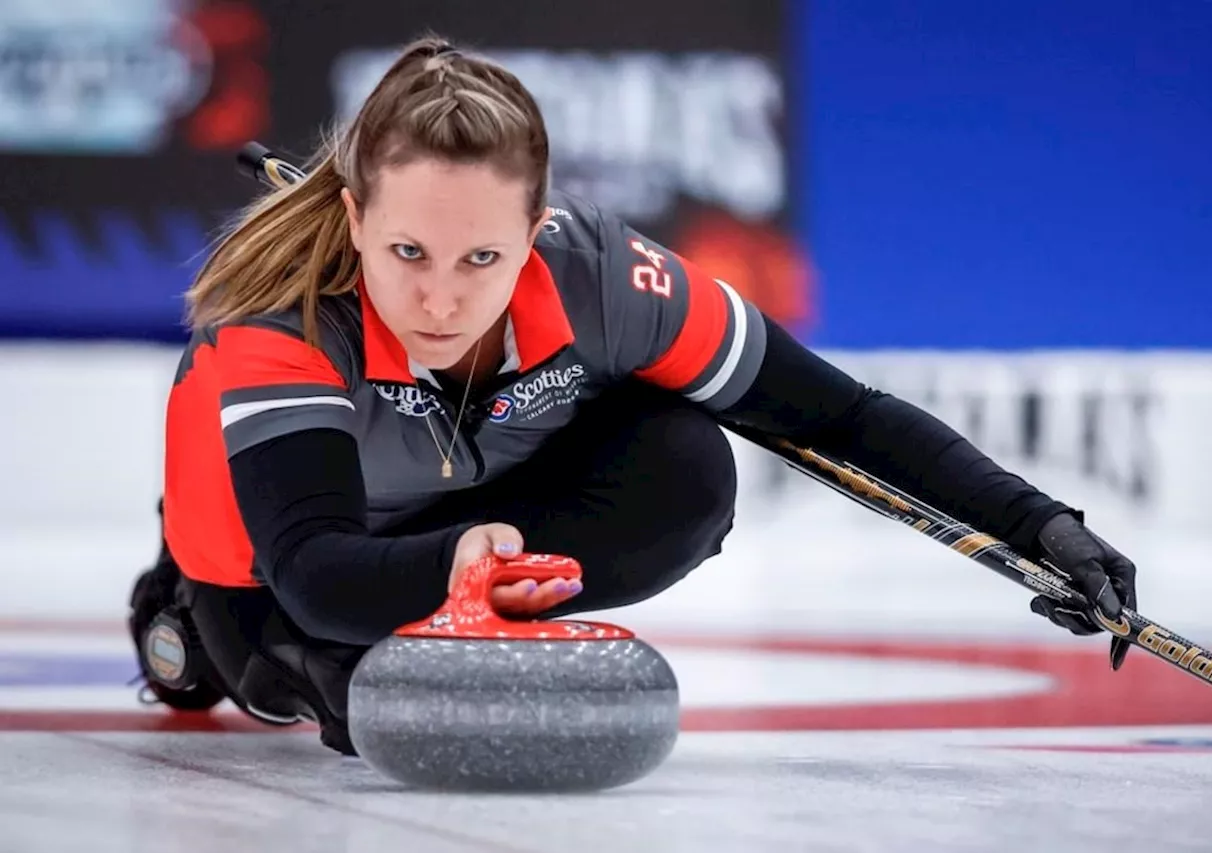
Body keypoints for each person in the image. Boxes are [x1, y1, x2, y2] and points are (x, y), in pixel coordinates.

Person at [127, 34, 1137, 754]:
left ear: (537, 231)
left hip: (466, 532)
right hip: (276, 548)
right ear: (351, 220)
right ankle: (178, 617)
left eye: (482, 255)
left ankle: (442, 609)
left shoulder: (609, 278)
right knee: (311, 686)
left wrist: (1039, 524)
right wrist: (452, 563)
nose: (439, 298)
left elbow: (838, 416)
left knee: (685, 466)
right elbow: (309, 570)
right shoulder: (277, 319)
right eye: (405, 251)